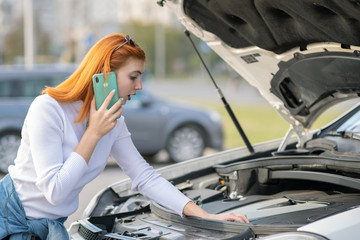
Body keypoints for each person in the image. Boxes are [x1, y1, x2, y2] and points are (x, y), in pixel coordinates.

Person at [0, 33, 249, 239]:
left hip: (49, 227)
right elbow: (55, 192)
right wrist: (94, 134)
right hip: (9, 220)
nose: (139, 87)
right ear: (105, 73)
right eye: (133, 77)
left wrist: (204, 214)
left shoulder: (114, 122)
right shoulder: (48, 109)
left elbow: (144, 176)